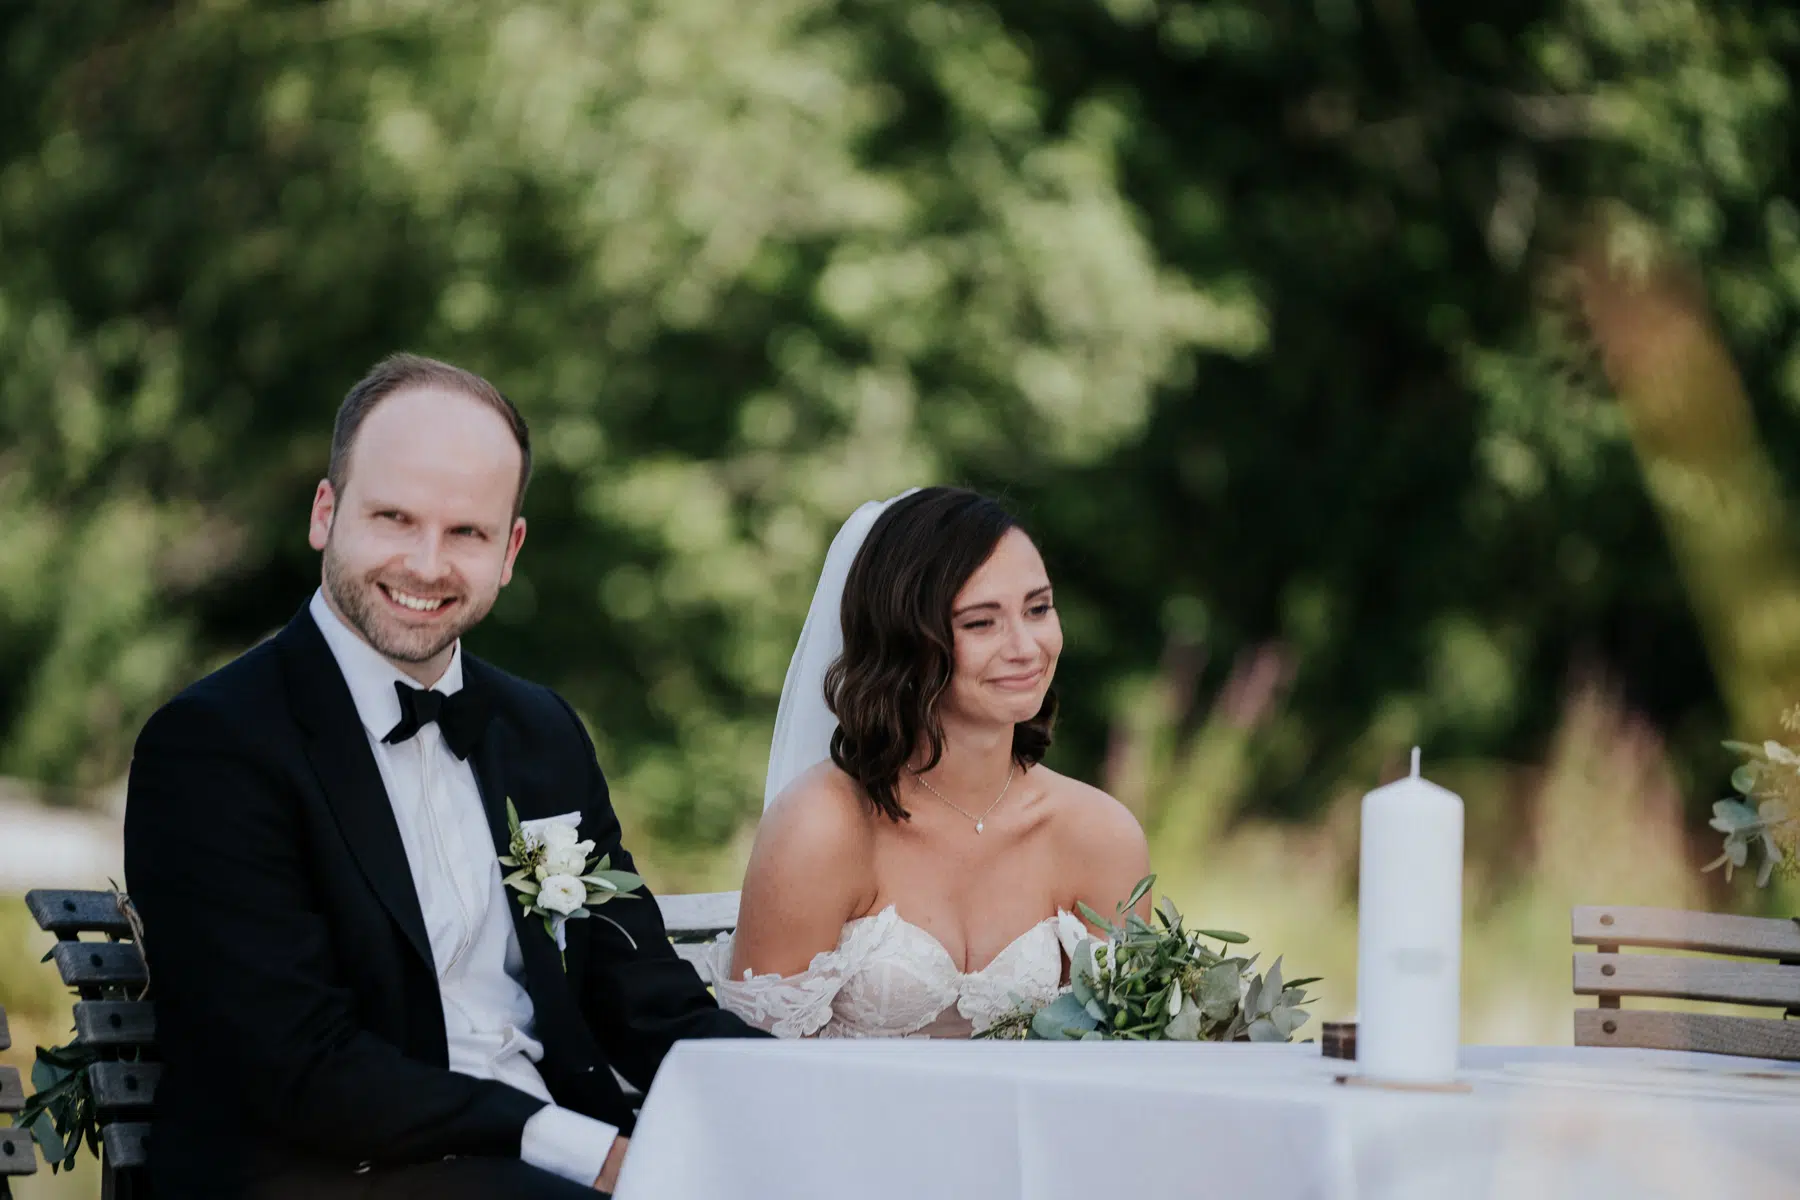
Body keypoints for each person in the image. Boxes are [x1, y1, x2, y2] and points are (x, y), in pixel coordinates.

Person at [123, 354, 763, 1199]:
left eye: (467, 532)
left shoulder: (542, 732)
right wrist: (572, 1144)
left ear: (510, 550)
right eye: (395, 518)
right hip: (324, 1175)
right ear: (326, 513)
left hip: (548, 1168)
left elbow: (641, 992)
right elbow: (297, 1066)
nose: (427, 565)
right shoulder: (214, 745)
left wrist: (798, 1099)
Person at [709, 487, 1151, 1037]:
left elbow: (1131, 1059)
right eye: (980, 623)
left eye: (1037, 609)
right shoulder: (822, 826)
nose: (1026, 646)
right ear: (905, 641)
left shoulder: (1099, 833)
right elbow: (752, 1069)